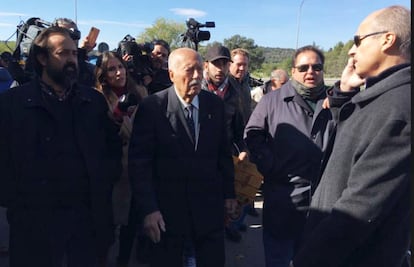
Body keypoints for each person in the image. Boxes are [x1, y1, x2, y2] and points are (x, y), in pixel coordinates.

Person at [292, 5, 411, 267]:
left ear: (387, 40)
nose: (351, 50)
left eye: (358, 40)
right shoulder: (380, 97)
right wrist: (344, 91)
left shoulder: (399, 108)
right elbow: (345, 147)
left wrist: (305, 260)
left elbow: (357, 211)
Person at [0, 26, 122, 267]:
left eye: (74, 54)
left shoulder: (93, 102)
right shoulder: (12, 104)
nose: (71, 60)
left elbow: (111, 151)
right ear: (42, 58)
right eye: (62, 53)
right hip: (33, 225)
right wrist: (17, 201)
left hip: (86, 222)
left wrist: (103, 183)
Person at [128, 47, 237, 267]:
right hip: (168, 215)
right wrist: (149, 209)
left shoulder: (214, 105)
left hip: (208, 212)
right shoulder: (153, 107)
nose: (197, 76)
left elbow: (223, 155)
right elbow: (140, 164)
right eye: (189, 70)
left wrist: (229, 195)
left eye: (199, 69)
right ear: (171, 75)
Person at [244, 45, 334, 267]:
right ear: (293, 71)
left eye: (317, 67)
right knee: (279, 259)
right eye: (303, 67)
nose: (310, 72)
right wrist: (271, 166)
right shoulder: (272, 101)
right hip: (283, 199)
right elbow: (253, 135)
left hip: (324, 202)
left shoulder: (335, 102)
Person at [94, 51, 148, 267]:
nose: (119, 72)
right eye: (112, 69)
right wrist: (117, 116)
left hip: (136, 168)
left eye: (121, 67)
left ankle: (123, 261)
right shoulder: (97, 99)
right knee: (106, 227)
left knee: (132, 225)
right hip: (112, 171)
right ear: (103, 75)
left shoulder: (141, 93)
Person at [202, 44, 248, 243]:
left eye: (224, 63)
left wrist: (243, 149)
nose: (220, 69)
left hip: (224, 156)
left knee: (225, 200)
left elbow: (238, 128)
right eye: (216, 64)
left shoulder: (235, 92)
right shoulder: (196, 88)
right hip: (198, 156)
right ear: (206, 66)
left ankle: (222, 229)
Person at [53, 17, 97, 87]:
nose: (71, 38)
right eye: (65, 33)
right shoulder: (44, 65)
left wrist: (83, 51)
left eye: (76, 34)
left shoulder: (89, 70)